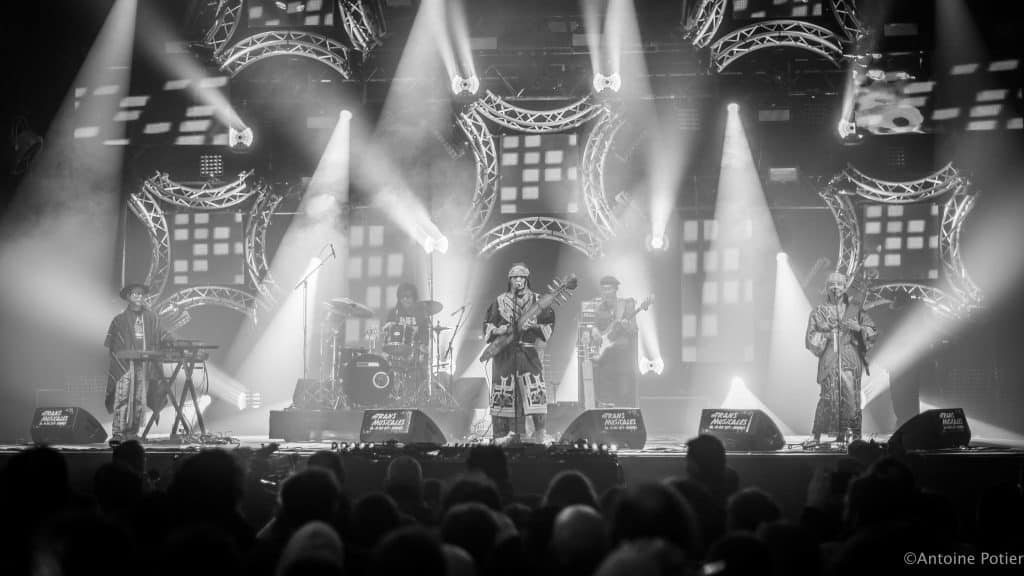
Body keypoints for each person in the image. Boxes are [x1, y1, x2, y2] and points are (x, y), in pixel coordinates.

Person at [483, 263, 554, 442]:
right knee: (503, 393)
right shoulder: (499, 301)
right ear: (510, 280)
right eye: (515, 277)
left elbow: (549, 325)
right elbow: (487, 325)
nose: (518, 280)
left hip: (529, 354)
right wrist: (498, 330)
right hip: (504, 355)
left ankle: (539, 434)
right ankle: (502, 436)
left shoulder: (538, 300)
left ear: (527, 279)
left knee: (535, 392)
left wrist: (535, 326)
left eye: (522, 277)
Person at [805, 271, 877, 444]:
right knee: (828, 395)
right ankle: (816, 435)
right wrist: (827, 336)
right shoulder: (818, 312)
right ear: (826, 288)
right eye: (831, 285)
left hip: (849, 355)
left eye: (839, 284)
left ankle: (853, 435)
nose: (835, 288)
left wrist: (859, 328)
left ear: (845, 288)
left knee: (851, 396)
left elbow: (872, 331)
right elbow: (810, 337)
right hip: (830, 355)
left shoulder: (855, 310)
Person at [105, 283, 173, 442]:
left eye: (141, 294)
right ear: (128, 297)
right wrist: (123, 354)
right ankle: (118, 433)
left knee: (139, 398)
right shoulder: (119, 320)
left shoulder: (152, 318)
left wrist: (172, 342)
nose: (139, 296)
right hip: (125, 365)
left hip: (144, 364)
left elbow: (163, 335)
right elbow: (113, 344)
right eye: (135, 294)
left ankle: (133, 433)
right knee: (122, 397)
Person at [587, 275, 638, 407]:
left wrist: (627, 326)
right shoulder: (599, 308)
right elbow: (595, 325)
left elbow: (634, 330)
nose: (606, 292)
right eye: (604, 289)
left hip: (622, 352)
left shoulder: (625, 305)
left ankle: (624, 411)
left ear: (616, 289)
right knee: (604, 387)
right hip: (605, 355)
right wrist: (594, 330)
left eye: (609, 289)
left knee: (623, 388)